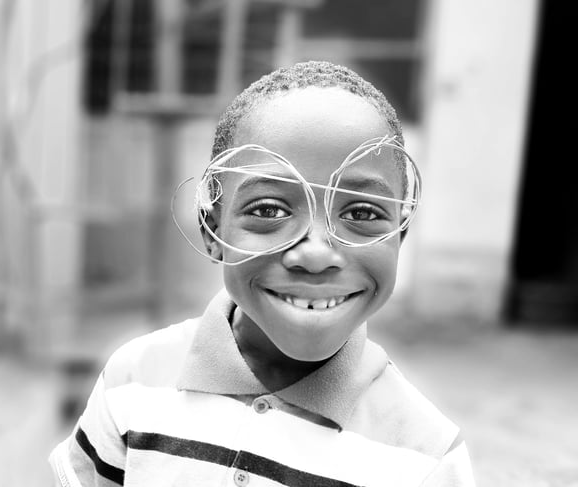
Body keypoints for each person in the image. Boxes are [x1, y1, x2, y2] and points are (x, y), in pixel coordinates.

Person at [49, 60, 475, 486]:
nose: (315, 254)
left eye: (362, 212)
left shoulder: (425, 458)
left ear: (400, 235)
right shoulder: (133, 383)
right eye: (268, 210)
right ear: (212, 230)